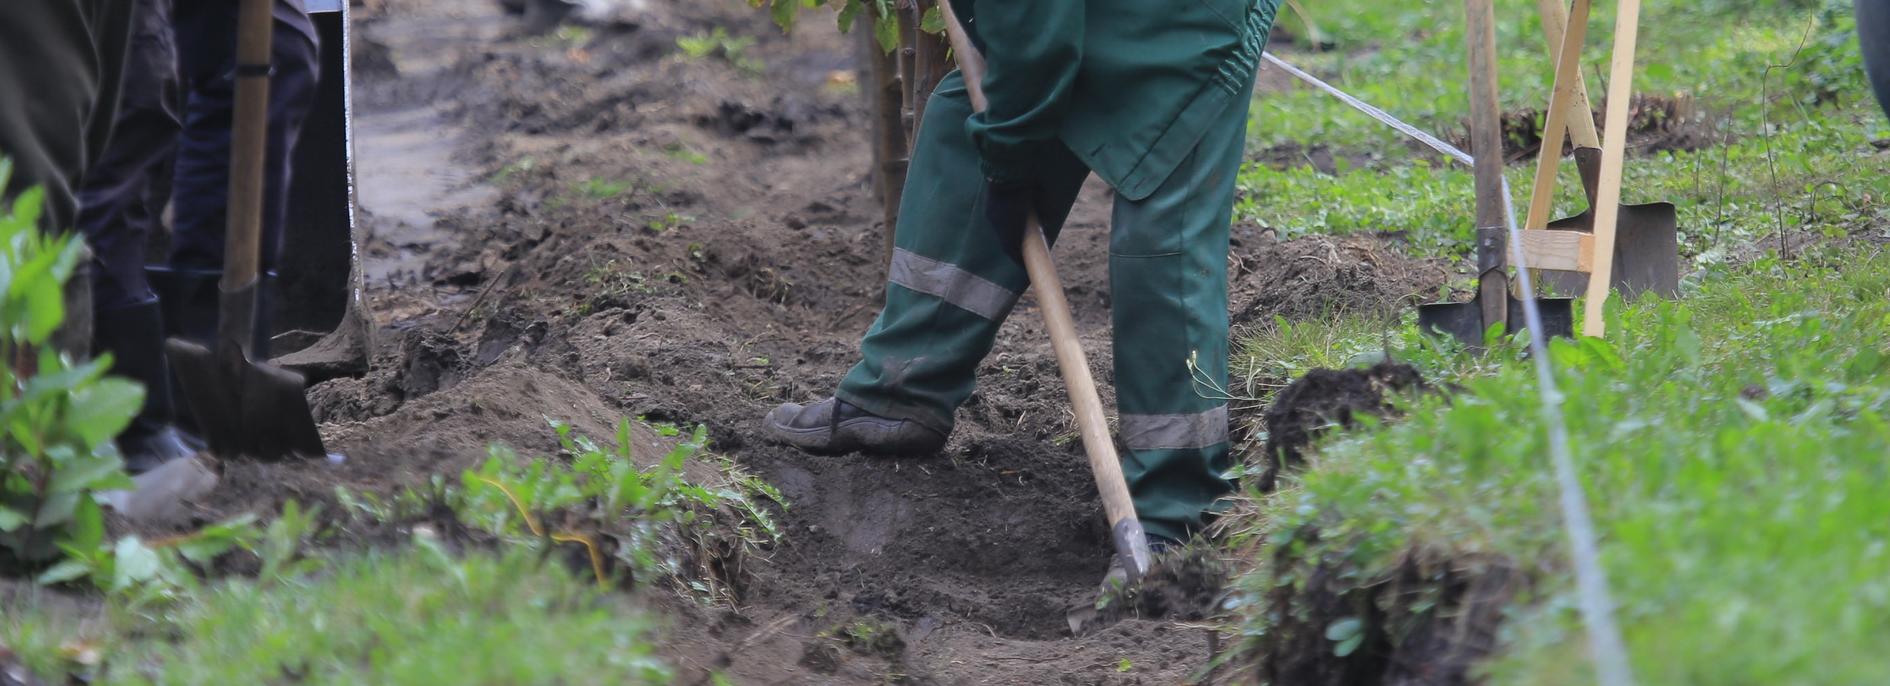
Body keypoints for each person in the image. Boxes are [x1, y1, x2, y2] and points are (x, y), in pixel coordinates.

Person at [763, 0, 1281, 556]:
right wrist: (1000, 151)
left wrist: (1010, 161)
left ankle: (1174, 508)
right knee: (968, 120)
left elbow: (1039, 28)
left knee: (1162, 238)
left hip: (1192, 25)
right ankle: (899, 389)